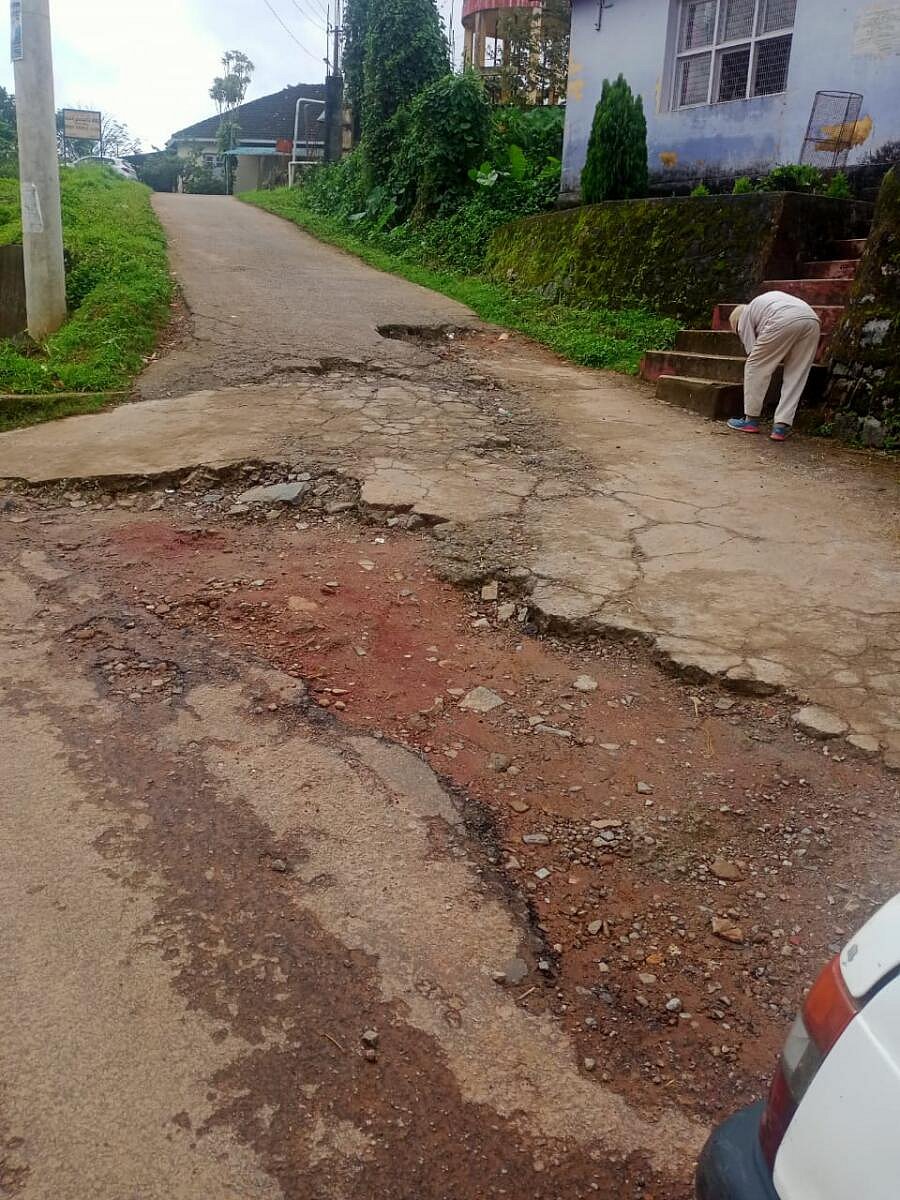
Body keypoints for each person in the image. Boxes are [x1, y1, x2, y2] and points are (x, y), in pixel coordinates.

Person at [726, 291, 821, 442]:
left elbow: (754, 356)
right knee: (796, 375)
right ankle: (780, 427)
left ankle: (750, 420)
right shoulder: (764, 304)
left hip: (782, 319)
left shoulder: (744, 316)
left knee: (755, 366)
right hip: (812, 320)